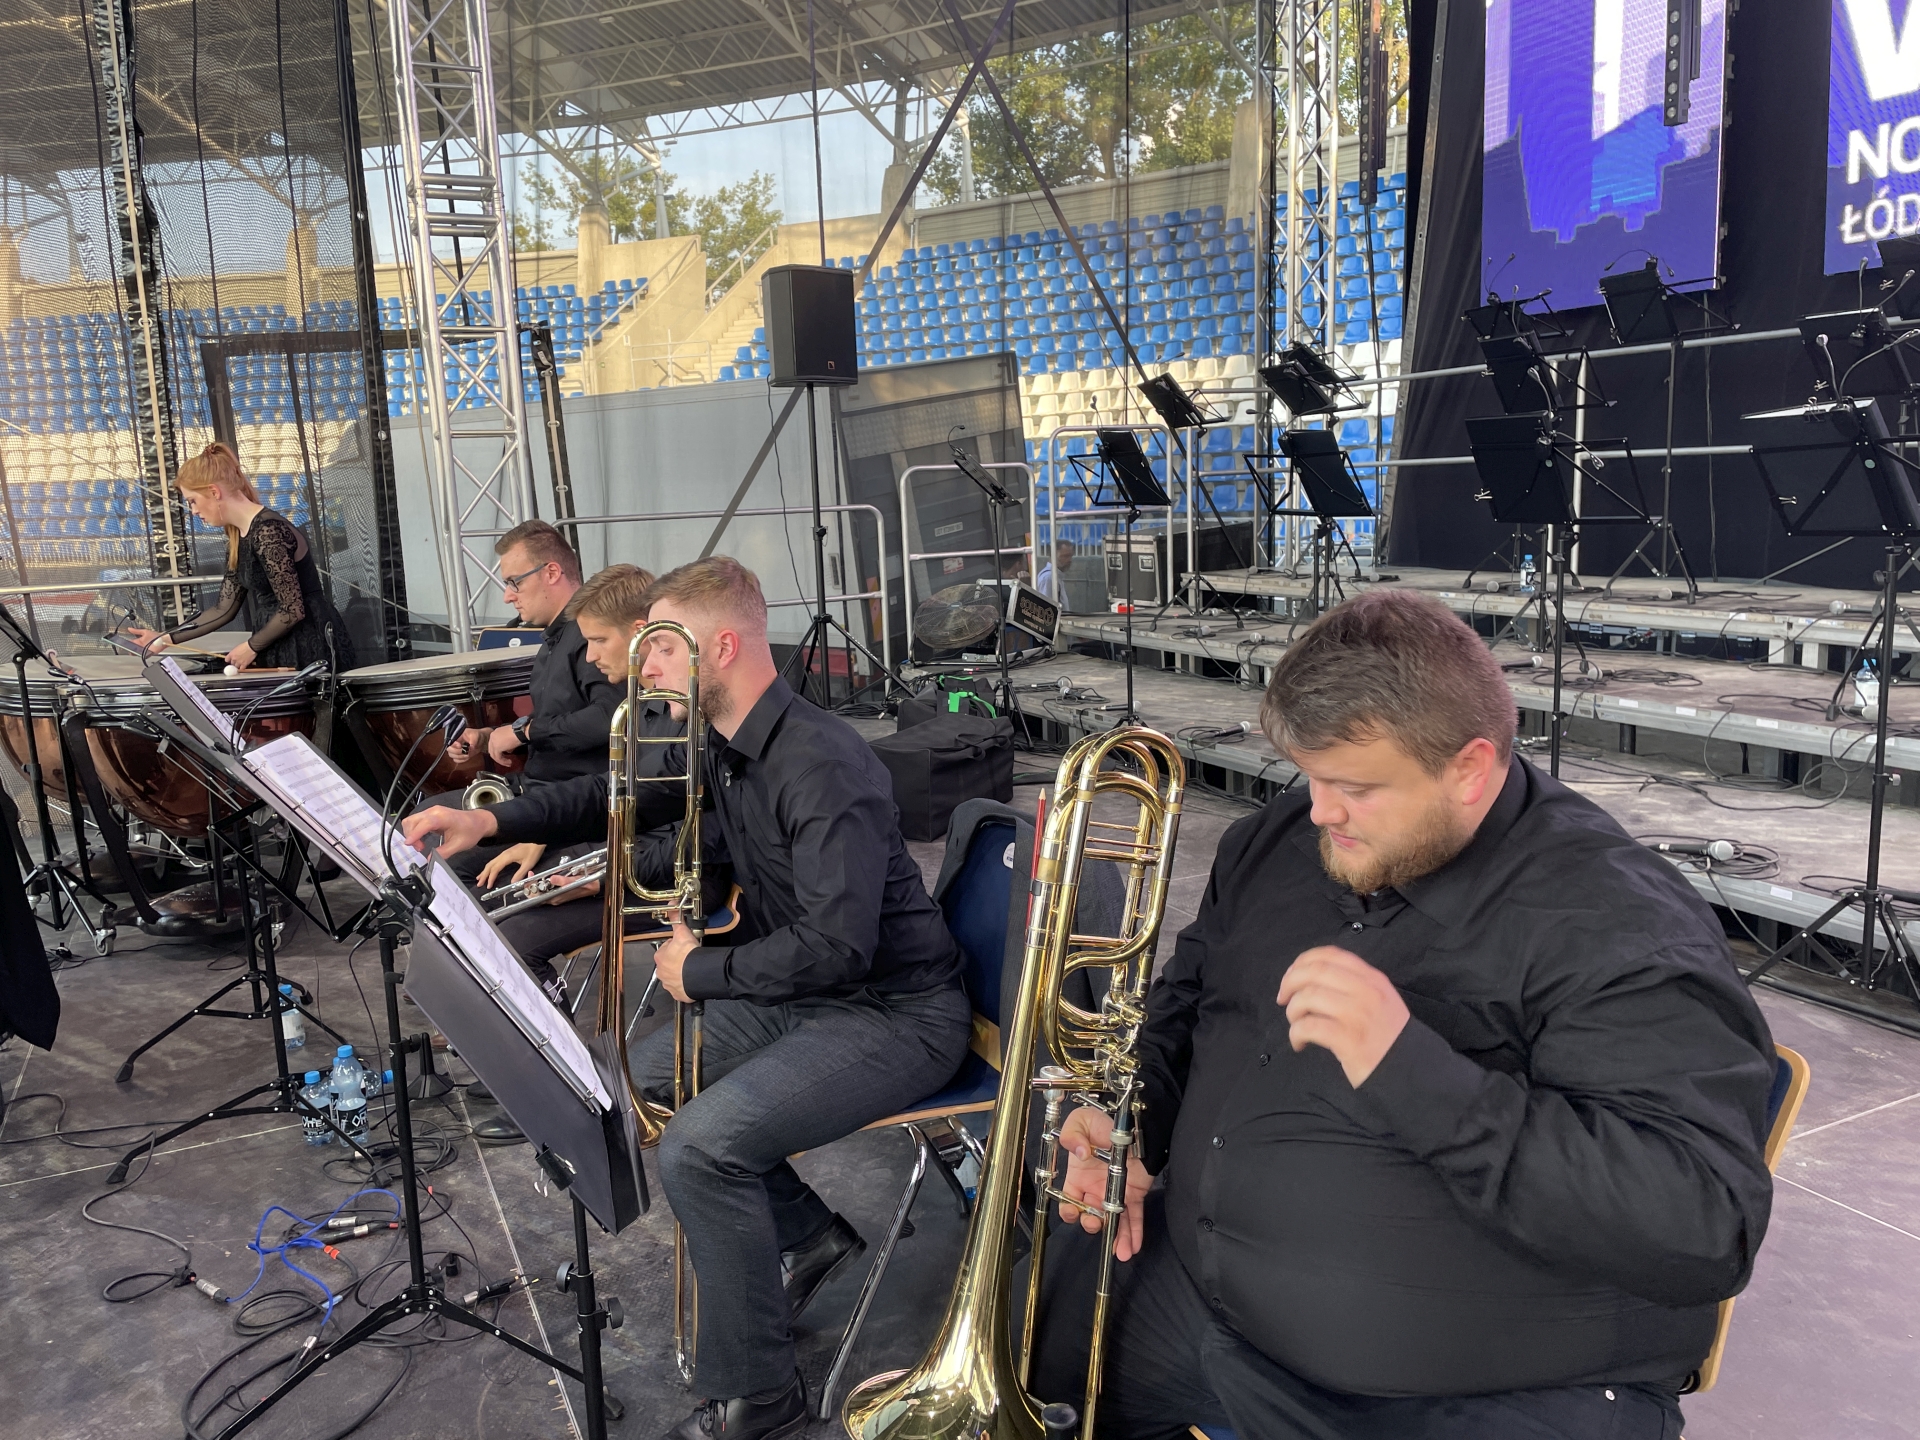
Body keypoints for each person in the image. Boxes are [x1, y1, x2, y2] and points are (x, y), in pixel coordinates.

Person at [1028, 589, 1777, 1440]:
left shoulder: (1617, 923)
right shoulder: (1282, 840)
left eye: (1354, 786)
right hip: (1197, 1300)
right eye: (1310, 776)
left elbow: (1699, 1228)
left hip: (1476, 1386)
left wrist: (1410, 1072)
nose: (1319, 811)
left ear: (1469, 768)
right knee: (1019, 1373)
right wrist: (1134, 1121)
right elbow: (1193, 1000)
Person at [403, 557, 972, 1439]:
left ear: (725, 647)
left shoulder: (823, 763)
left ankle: (762, 1398)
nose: (644, 665)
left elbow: (838, 945)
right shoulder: (728, 745)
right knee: (631, 1081)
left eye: (664, 647)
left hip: (896, 1013)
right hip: (813, 996)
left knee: (700, 1149)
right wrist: (493, 819)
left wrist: (697, 972)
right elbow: (620, 799)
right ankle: (809, 1238)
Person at [416, 521, 626, 885]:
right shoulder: (554, 640)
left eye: (514, 582)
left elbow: (611, 718)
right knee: (423, 818)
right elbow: (561, 720)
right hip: (540, 790)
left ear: (552, 572)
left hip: (571, 804)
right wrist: (487, 736)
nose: (507, 596)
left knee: (441, 859)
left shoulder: (589, 637)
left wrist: (524, 732)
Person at [126, 442, 356, 674]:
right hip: (276, 640)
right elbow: (223, 609)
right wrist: (163, 639)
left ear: (214, 492)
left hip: (307, 643)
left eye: (192, 501)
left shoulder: (268, 531)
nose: (193, 511)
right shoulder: (239, 536)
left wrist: (251, 646)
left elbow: (292, 609)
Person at [1036, 538, 1074, 604]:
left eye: (1071, 556)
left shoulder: (1056, 576)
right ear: (1053, 556)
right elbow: (1045, 606)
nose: (1070, 560)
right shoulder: (1049, 578)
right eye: (1065, 556)